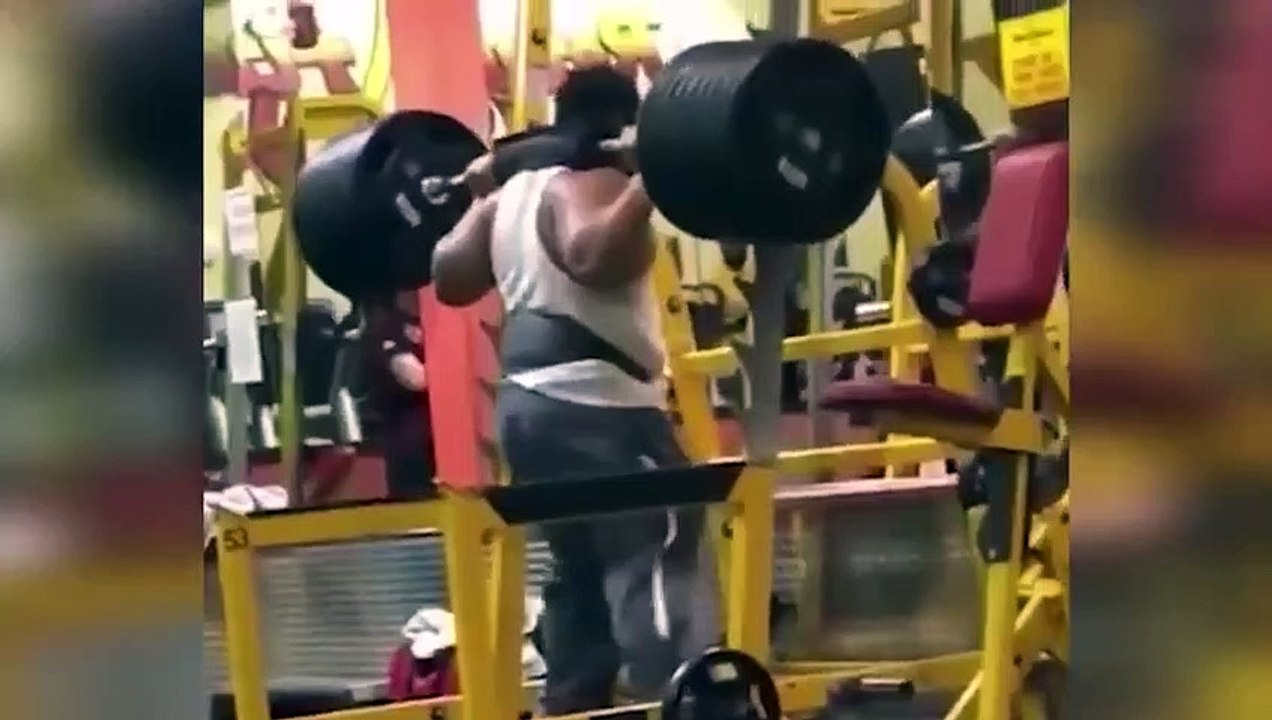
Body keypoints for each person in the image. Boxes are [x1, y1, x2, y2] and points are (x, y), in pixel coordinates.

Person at [429, 65, 720, 713]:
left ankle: (573, 699)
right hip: (600, 405)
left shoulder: (511, 196)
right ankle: (673, 699)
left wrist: (480, 195)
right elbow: (590, 257)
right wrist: (650, 179)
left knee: (580, 563)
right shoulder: (591, 181)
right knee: (662, 538)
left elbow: (448, 276)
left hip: (529, 412)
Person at [360, 291, 437, 500]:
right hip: (410, 444)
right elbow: (416, 378)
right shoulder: (386, 330)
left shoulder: (438, 322)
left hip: (449, 441)